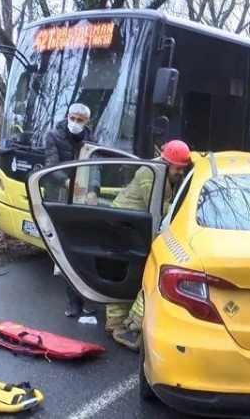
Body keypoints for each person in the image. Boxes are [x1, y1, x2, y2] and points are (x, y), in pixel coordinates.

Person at [107, 139, 192, 350]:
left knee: (126, 274)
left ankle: (117, 323)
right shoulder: (150, 174)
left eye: (183, 170)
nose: (180, 173)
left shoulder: (161, 172)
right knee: (141, 274)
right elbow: (157, 208)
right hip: (125, 224)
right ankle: (127, 326)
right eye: (178, 169)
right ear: (167, 162)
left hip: (132, 224)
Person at [43, 103, 97, 318]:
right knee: (65, 251)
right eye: (72, 118)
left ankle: (85, 297)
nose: (75, 123)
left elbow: (96, 166)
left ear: (86, 122)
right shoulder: (53, 136)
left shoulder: (91, 141)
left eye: (80, 120)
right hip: (60, 198)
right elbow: (50, 164)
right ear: (67, 117)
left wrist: (93, 190)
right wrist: (66, 182)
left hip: (82, 199)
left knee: (83, 250)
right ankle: (73, 302)